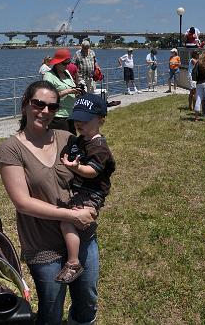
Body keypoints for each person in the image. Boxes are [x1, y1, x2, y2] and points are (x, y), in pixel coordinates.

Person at [0, 81, 98, 325]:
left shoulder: (67, 137)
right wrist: (70, 215)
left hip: (82, 234)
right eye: (39, 104)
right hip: (42, 243)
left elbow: (92, 176)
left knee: (87, 300)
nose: (45, 111)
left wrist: (93, 205)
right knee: (51, 308)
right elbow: (22, 203)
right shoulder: (11, 149)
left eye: (52, 107)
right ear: (26, 105)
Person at [56, 93, 115, 284]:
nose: (79, 124)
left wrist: (76, 168)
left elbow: (93, 172)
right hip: (80, 191)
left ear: (101, 120)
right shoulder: (80, 140)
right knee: (68, 220)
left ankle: (73, 263)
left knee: (69, 222)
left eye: (85, 120)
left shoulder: (99, 146)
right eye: (76, 120)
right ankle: (77, 248)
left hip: (92, 193)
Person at [43, 49, 81, 134]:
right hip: (58, 116)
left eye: (69, 63)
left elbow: (72, 87)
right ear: (57, 63)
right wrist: (67, 91)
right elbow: (48, 98)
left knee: (72, 140)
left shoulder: (67, 72)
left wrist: (77, 92)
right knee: (62, 143)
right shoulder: (48, 76)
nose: (67, 66)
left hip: (70, 114)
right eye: (64, 63)